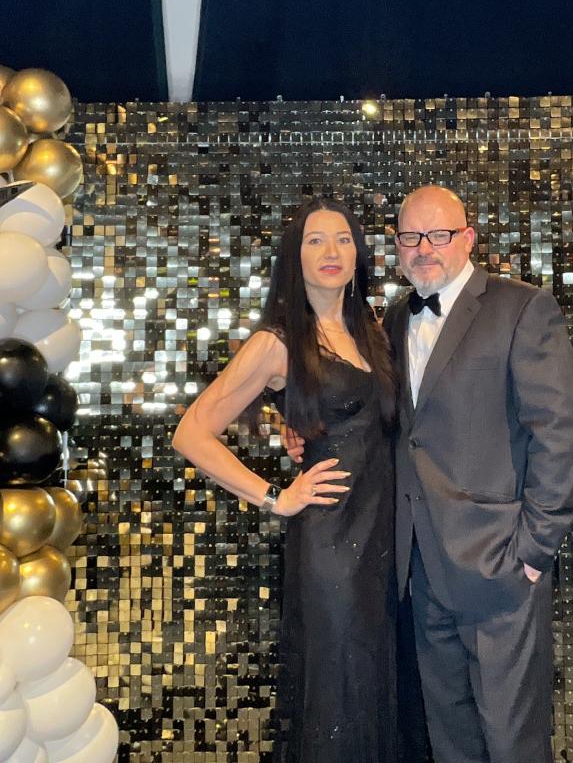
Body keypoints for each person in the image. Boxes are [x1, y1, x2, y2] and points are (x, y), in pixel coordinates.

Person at [286, 184, 573, 763]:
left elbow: (562, 431)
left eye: (440, 235)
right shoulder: (392, 319)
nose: (424, 248)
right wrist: (296, 424)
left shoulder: (521, 308)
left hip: (500, 566)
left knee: (512, 740)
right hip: (418, 570)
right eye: (411, 237)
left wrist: (533, 550)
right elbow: (371, 415)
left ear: (467, 239)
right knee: (448, 738)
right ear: (398, 246)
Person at [172, 197, 399, 763]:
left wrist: (291, 420)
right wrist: (276, 496)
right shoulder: (276, 342)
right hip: (331, 544)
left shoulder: (370, 329)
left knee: (376, 686)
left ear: (359, 254)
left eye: (343, 239)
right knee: (338, 691)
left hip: (384, 540)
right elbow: (191, 433)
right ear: (294, 257)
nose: (331, 251)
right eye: (314, 240)